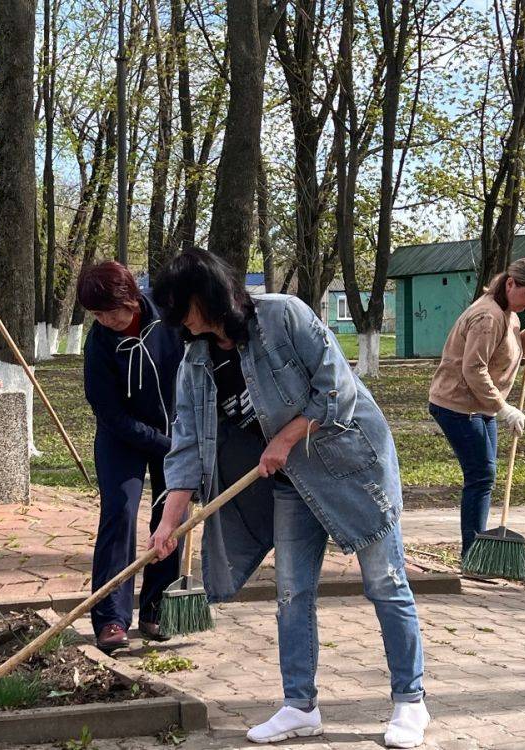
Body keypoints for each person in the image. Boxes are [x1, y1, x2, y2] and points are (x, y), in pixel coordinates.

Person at [147, 248, 429, 748]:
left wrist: (286, 436)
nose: (176, 321)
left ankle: (410, 701)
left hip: (350, 468)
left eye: (180, 307)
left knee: (385, 583)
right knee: (291, 594)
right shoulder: (194, 360)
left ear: (207, 295)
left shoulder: (283, 316)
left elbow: (337, 388)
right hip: (290, 486)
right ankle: (300, 706)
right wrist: (169, 521)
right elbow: (186, 444)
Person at [78, 261, 184, 653]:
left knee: (172, 516)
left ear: (132, 297)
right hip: (121, 437)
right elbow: (111, 415)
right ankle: (111, 618)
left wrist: (183, 438)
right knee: (120, 512)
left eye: (114, 310)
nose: (108, 320)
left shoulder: (169, 315)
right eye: (98, 314)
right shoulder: (99, 344)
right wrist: (162, 443)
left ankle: (158, 609)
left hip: (175, 429)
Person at [428, 257, 525, 556]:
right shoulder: (488, 316)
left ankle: (475, 551)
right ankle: (472, 554)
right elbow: (474, 369)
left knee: (485, 476)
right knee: (481, 475)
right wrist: (504, 408)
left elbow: (506, 353)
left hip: (479, 405)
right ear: (510, 283)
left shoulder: (509, 313)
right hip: (456, 404)